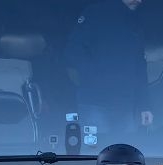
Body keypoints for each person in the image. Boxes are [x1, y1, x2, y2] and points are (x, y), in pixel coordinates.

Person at [64, 0, 153, 136]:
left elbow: (140, 66)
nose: (139, 0)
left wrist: (144, 105)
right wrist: (95, 78)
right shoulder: (94, 13)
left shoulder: (135, 20)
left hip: (127, 105)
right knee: (94, 153)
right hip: (95, 103)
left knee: (127, 153)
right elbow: (73, 51)